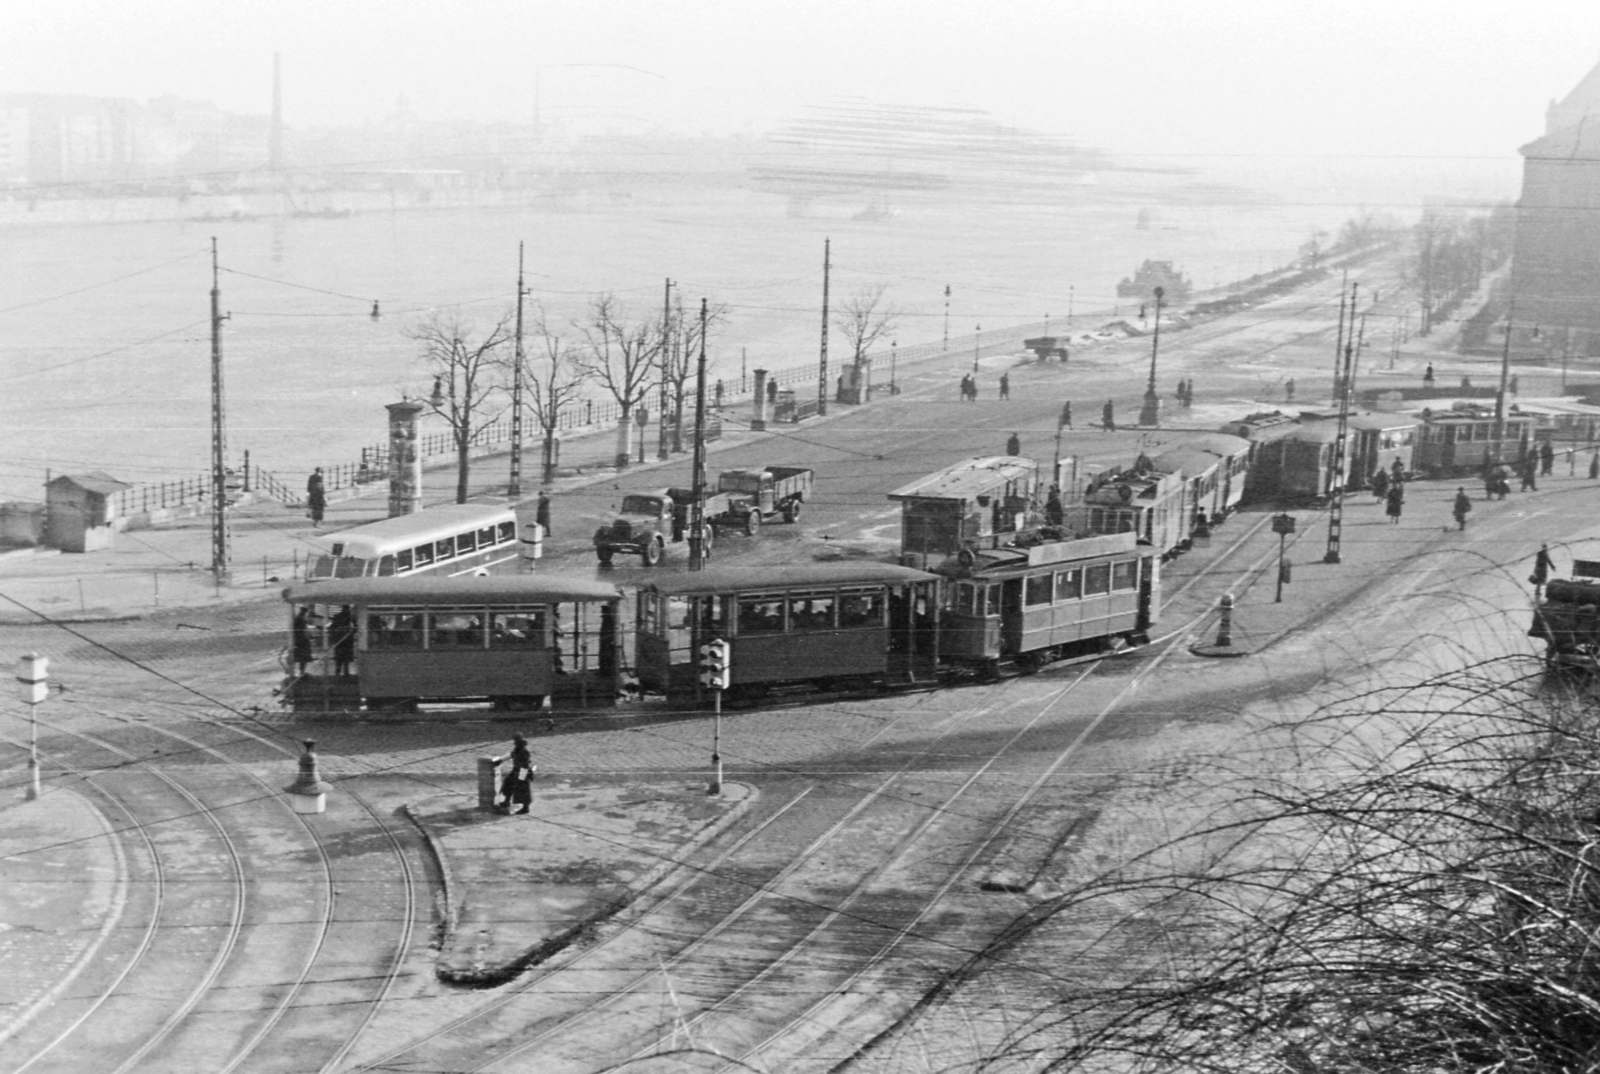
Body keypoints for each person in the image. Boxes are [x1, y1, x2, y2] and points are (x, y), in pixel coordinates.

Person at [499, 734, 534, 814]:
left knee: (522, 788)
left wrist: (521, 776)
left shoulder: (524, 750)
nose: (514, 742)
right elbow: (512, 754)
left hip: (523, 770)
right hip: (516, 769)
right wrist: (500, 759)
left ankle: (525, 808)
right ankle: (506, 801)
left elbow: (525, 764)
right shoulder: (518, 748)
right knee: (509, 783)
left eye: (516, 741)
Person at [330, 604, 356, 678]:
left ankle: (340, 672)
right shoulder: (350, 617)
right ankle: (344, 673)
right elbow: (355, 628)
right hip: (345, 640)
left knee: (341, 658)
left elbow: (332, 628)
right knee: (344, 658)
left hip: (342, 640)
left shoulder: (339, 617)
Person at [292, 606, 314, 675]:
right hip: (302, 641)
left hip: (300, 640)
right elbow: (303, 630)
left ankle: (302, 671)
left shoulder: (298, 618)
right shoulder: (300, 619)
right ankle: (302, 672)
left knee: (303, 657)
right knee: (304, 657)